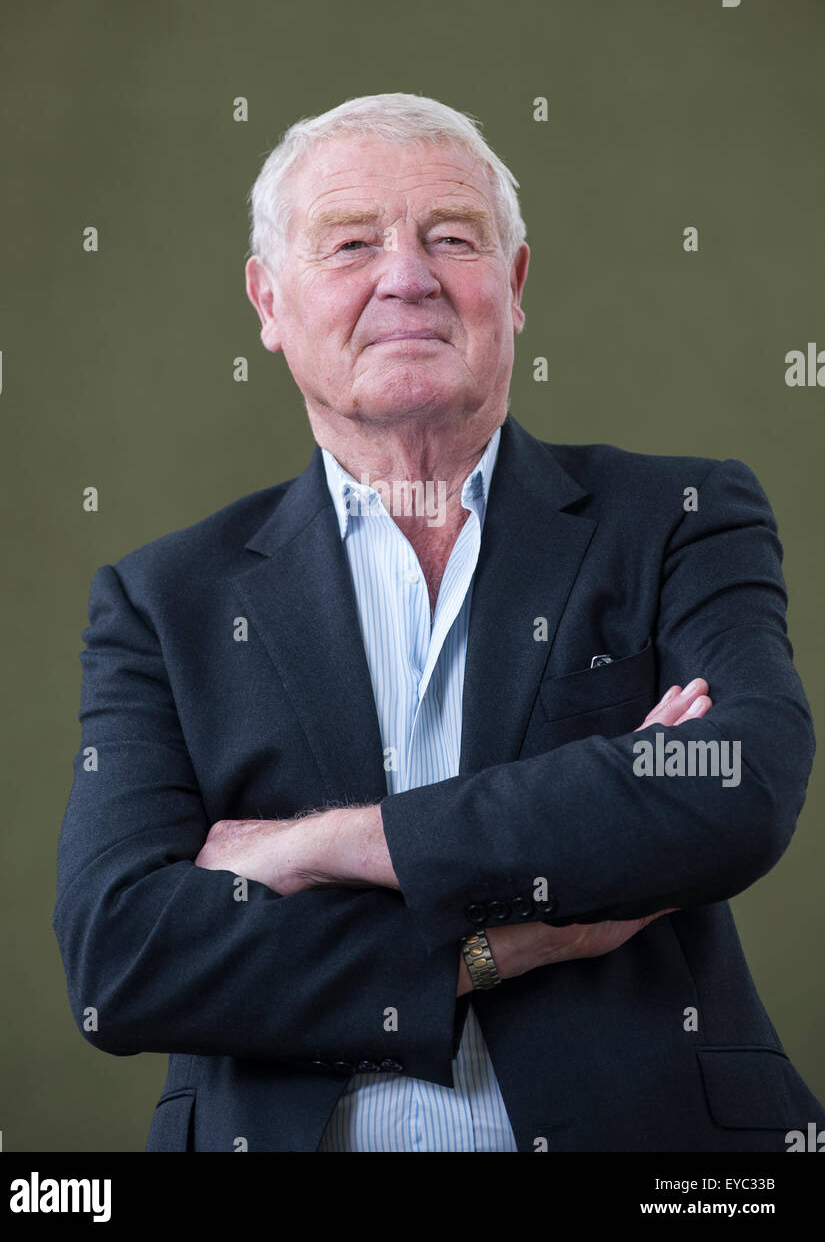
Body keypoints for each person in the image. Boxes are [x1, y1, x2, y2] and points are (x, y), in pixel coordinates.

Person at [54, 92, 823, 1152]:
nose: (405, 275)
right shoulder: (164, 601)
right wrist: (500, 946)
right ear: (268, 301)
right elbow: (122, 956)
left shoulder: (678, 517)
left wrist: (328, 842)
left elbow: (736, 782)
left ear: (511, 288)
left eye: (450, 238)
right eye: (352, 242)